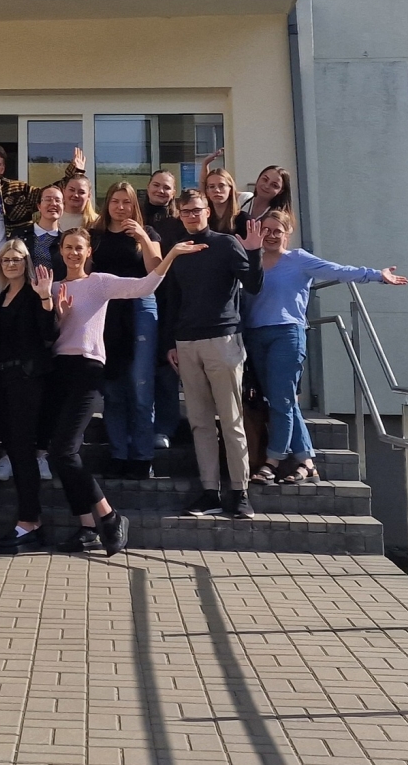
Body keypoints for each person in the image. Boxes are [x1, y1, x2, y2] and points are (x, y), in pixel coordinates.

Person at [48, 228, 204, 556]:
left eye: (79, 248)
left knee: (64, 451)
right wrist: (54, 311)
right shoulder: (52, 288)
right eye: (68, 247)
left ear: (88, 252)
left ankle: (109, 516)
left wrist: (171, 255)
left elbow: (145, 286)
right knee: (61, 453)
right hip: (59, 372)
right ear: (60, 251)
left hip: (88, 369)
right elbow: (47, 335)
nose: (73, 253)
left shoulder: (99, 282)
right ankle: (87, 527)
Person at [242, 210, 408, 484]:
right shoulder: (252, 261)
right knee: (281, 400)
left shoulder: (298, 259)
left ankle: (272, 462)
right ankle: (307, 463)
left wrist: (376, 275)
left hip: (287, 334)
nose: (270, 236)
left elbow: (337, 271)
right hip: (256, 336)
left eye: (277, 231)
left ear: (287, 233)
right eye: (266, 230)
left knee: (282, 401)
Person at [158, 191, 264, 521]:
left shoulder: (226, 243)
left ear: (207, 211)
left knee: (231, 420)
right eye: (185, 211)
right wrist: (170, 343)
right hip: (186, 342)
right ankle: (209, 491)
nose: (192, 215)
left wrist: (254, 252)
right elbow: (171, 300)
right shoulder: (179, 250)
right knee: (200, 422)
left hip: (223, 339)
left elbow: (253, 285)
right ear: (179, 215)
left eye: (197, 210)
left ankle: (240, 491)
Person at [0, 241, 59, 551]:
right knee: (13, 450)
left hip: (27, 381)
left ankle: (29, 522)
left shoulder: (34, 293)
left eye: (16, 259)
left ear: (26, 262)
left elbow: (49, 333)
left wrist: (45, 298)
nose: (11, 264)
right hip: (0, 382)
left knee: (23, 450)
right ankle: (29, 520)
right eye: (6, 259)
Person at [90, 182, 163, 480]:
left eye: (127, 202)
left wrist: (142, 237)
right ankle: (118, 453)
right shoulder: (95, 235)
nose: (121, 208)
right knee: (113, 389)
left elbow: (156, 269)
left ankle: (143, 456)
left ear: (135, 206)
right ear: (107, 204)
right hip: (106, 310)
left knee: (140, 387)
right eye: (115, 201)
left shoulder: (149, 233)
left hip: (139, 307)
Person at [0, 144, 85, 262]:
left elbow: (48, 194)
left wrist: (74, 171)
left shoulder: (17, 189)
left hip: (13, 264)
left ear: (2, 169)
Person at [13, 183, 67, 280]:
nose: (53, 204)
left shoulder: (66, 240)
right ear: (39, 206)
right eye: (48, 199)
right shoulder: (20, 235)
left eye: (58, 200)